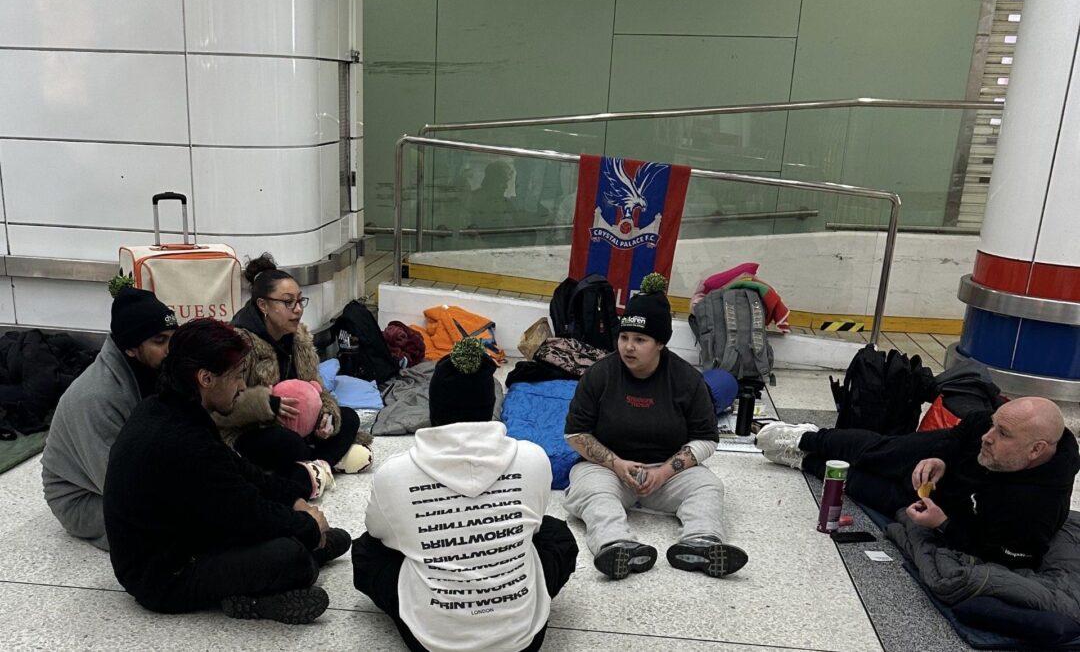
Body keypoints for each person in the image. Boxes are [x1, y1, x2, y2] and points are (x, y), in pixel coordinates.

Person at [103, 318, 350, 624]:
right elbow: (246, 513)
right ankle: (260, 596)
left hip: (184, 535)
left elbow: (240, 471)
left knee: (287, 525)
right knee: (294, 559)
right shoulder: (182, 442)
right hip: (163, 578)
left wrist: (294, 502)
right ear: (206, 378)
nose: (243, 386)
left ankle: (301, 551)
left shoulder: (168, 407)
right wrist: (307, 527)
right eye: (236, 376)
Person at [352, 337, 578, 652]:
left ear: (433, 409)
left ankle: (445, 615)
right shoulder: (532, 459)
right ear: (491, 408)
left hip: (431, 643)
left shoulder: (396, 473)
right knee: (557, 534)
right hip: (521, 641)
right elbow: (535, 525)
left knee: (366, 550)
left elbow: (378, 533)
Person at [562, 275, 749, 580]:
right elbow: (575, 434)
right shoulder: (600, 374)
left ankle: (701, 542)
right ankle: (615, 544)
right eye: (624, 338)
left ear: (660, 343)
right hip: (608, 469)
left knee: (708, 486)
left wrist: (664, 472)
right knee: (594, 492)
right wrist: (617, 464)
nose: (628, 347)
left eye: (640, 340)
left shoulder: (686, 379)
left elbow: (706, 439)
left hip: (667, 472)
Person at [756, 396, 1079, 568]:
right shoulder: (993, 429)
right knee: (882, 453)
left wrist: (944, 525)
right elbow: (968, 431)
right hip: (950, 465)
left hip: (952, 508)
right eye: (994, 426)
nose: (989, 436)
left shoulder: (1033, 509)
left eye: (1002, 434)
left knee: (870, 489)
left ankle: (806, 460)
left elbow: (1006, 555)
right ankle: (807, 437)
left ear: (1036, 450)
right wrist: (941, 458)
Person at [217, 253, 373, 498]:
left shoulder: (299, 337)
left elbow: (318, 389)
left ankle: (313, 468)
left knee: (349, 417)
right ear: (263, 305)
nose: (298, 310)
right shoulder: (238, 343)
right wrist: (265, 404)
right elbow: (220, 410)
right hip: (251, 431)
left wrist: (326, 415)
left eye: (300, 301)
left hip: (302, 426)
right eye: (288, 302)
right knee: (286, 443)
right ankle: (323, 463)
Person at [41, 286, 178, 549]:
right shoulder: (96, 397)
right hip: (83, 496)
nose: (171, 349)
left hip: (137, 471)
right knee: (180, 525)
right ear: (130, 348)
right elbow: (117, 483)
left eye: (174, 338)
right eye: (160, 341)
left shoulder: (156, 368)